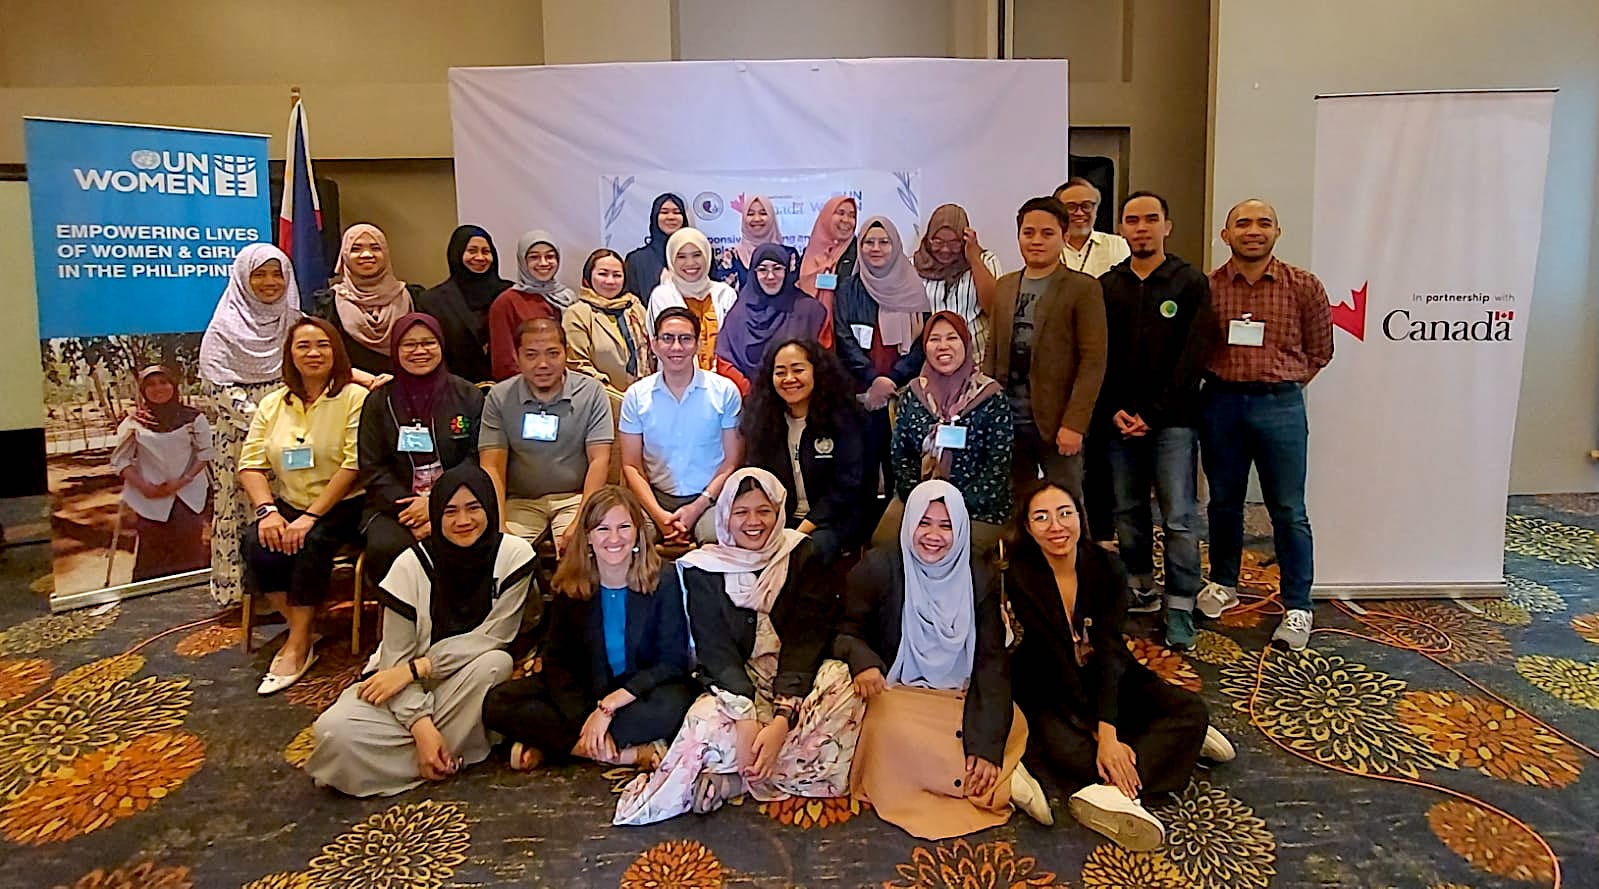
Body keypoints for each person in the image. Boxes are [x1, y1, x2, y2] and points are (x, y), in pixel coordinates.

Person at [613, 468, 862, 825]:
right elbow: (715, 652)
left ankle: (735, 782)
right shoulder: (704, 568)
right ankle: (763, 770)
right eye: (741, 512)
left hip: (796, 680)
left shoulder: (802, 553)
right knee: (701, 729)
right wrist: (746, 716)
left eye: (764, 511)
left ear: (779, 512)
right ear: (725, 514)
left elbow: (806, 640)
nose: (753, 522)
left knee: (844, 689)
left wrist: (781, 718)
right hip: (735, 684)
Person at [1004, 481, 1233, 851]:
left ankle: (1113, 790)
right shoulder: (1021, 575)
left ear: (1080, 516)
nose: (1056, 526)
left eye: (1065, 513)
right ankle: (1157, 751)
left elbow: (1110, 652)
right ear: (1028, 528)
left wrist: (1108, 736)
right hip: (1049, 680)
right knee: (1070, 756)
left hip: (1108, 669)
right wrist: (1096, 731)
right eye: (1041, 518)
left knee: (1191, 710)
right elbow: (1053, 656)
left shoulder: (1107, 567)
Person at [837, 480, 1049, 839]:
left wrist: (986, 748)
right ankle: (1005, 784)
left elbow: (991, 661)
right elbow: (843, 629)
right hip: (901, 692)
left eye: (947, 525)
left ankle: (983, 770)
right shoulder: (878, 568)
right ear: (909, 523)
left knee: (1010, 720)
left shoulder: (978, 577)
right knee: (885, 727)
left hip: (958, 692)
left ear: (962, 529)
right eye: (924, 522)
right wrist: (864, 660)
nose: (933, 536)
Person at [305, 464, 532, 796]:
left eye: (474, 508)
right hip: (403, 690)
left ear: (491, 508)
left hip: (459, 682)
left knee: (494, 664)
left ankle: (406, 760)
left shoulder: (513, 556)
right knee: (332, 731)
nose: (463, 521)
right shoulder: (409, 566)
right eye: (451, 511)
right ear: (436, 515)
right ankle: (439, 752)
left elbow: (495, 637)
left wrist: (420, 668)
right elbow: (394, 662)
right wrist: (421, 725)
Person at [482, 485, 696, 771]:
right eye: (603, 529)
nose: (614, 538)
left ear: (637, 532)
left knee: (676, 706)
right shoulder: (570, 582)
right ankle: (625, 754)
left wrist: (610, 707)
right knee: (498, 703)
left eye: (623, 527)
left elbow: (672, 662)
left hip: (639, 691)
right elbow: (556, 661)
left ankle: (556, 746)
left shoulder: (664, 578)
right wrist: (587, 716)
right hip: (586, 691)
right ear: (588, 537)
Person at [1199, 199, 1334, 652]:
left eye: (1263, 223)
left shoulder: (1304, 286)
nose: (1252, 230)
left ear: (1277, 232)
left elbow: (1320, 351)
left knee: (1288, 510)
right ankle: (1223, 582)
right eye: (1242, 223)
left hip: (1280, 407)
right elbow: (1198, 348)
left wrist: (1279, 384)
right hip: (1221, 403)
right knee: (1223, 502)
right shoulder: (1210, 288)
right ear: (1226, 234)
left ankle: (1298, 605)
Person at [1097, 192, 1215, 649]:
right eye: (1132, 220)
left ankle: (1181, 602)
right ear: (1122, 229)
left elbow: (1194, 357)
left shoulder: (1189, 282)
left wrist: (1153, 414)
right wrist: (1115, 411)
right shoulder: (1109, 286)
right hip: (1119, 422)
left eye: (1150, 219)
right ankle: (1141, 586)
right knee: (1127, 511)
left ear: (1167, 225)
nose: (1141, 227)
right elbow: (1099, 357)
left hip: (1173, 423)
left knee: (1179, 517)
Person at [239, 317, 368, 695]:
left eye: (322, 345)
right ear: (290, 354)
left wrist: (311, 516)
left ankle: (297, 646)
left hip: (343, 504)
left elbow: (353, 464)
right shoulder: (273, 404)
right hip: (288, 503)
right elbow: (250, 465)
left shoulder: (354, 397)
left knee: (312, 544)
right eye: (303, 346)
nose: (313, 353)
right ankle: (303, 626)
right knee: (256, 543)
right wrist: (267, 511)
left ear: (336, 352)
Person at [984, 196, 1107, 503]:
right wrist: (985, 413)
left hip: (1057, 421)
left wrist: (1074, 424)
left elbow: (1093, 361)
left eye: (1047, 233)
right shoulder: (1005, 286)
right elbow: (992, 352)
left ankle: (1075, 553)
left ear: (1064, 237)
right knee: (1013, 502)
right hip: (1008, 419)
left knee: (1065, 502)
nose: (1036, 241)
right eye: (1028, 233)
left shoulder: (1083, 287)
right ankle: (1020, 554)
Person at [200, 245, 302, 607]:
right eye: (260, 274)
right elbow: (216, 388)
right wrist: (267, 424)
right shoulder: (223, 328)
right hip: (244, 436)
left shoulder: (294, 320)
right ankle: (253, 593)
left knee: (291, 505)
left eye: (277, 274)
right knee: (248, 512)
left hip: (296, 430)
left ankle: (292, 587)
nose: (270, 282)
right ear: (243, 277)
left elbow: (309, 367)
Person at [357, 313, 486, 586]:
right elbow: (372, 466)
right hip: (397, 505)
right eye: (409, 345)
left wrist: (438, 503)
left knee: (467, 540)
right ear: (395, 350)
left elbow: (475, 457)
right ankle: (404, 620)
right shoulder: (379, 401)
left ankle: (462, 620)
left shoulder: (467, 395)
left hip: (458, 499)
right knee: (387, 548)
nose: (420, 351)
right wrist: (411, 509)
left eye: (428, 343)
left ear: (441, 345)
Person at [480, 319, 614, 558]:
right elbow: (492, 465)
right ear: (517, 356)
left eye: (552, 354)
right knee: (499, 556)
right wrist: (498, 523)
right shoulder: (499, 397)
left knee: (580, 557)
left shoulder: (591, 392)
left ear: (566, 353)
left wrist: (580, 520)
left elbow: (600, 460)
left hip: (575, 499)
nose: (542, 364)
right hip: (521, 502)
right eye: (531, 355)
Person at [882, 312, 1012, 552]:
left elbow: (997, 468)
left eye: (952, 338)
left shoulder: (991, 397)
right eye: (934, 339)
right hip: (918, 499)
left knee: (953, 552)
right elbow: (901, 456)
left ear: (966, 343)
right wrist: (923, 500)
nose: (943, 346)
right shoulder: (914, 394)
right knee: (885, 545)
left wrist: (951, 506)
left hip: (977, 507)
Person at [618, 307, 743, 545]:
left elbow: (731, 462)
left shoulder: (724, 391)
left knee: (715, 535)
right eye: (668, 338)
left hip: (710, 498)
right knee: (630, 537)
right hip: (655, 497)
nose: (676, 348)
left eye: (685, 339)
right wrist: (658, 515)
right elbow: (631, 465)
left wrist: (697, 506)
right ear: (654, 344)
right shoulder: (636, 395)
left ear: (697, 344)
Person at [739, 338, 869, 565]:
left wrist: (800, 531)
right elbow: (759, 479)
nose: (789, 379)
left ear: (817, 372)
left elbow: (846, 488)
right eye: (780, 372)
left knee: (805, 555)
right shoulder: (763, 422)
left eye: (798, 370)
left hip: (833, 520)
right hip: (782, 519)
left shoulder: (843, 418)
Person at [834, 217, 931, 499]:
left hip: (902, 394)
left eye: (884, 242)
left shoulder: (913, 287)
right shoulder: (848, 289)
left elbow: (921, 343)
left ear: (896, 245)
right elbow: (844, 338)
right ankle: (861, 538)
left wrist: (893, 378)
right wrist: (873, 379)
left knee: (900, 469)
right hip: (861, 394)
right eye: (868, 242)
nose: (876, 249)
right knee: (860, 470)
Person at [109, 366, 213, 581]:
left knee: (189, 545)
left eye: (163, 382)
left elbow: (205, 453)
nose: (158, 389)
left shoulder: (193, 418)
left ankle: (191, 597)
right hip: (149, 496)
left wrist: (182, 481)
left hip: (188, 493)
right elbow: (120, 460)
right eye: (151, 384)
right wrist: (144, 487)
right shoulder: (135, 422)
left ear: (173, 386)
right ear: (142, 390)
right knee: (152, 550)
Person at [715, 243, 830, 393]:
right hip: (752, 404)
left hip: (803, 399)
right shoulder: (738, 315)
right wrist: (751, 394)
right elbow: (725, 362)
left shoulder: (811, 311)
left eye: (777, 268)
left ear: (787, 271)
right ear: (753, 273)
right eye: (762, 270)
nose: (770, 276)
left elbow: (825, 360)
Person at [315, 223, 422, 375]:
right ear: (344, 255)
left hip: (408, 388)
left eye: (375, 248)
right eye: (356, 249)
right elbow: (325, 357)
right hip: (351, 390)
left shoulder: (413, 297)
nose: (367, 255)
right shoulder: (328, 303)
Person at [417, 225, 511, 384]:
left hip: (508, 389)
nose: (480, 257)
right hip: (455, 391)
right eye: (472, 251)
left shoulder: (509, 294)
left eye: (486, 252)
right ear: (457, 253)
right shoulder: (432, 301)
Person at [563, 248, 653, 405]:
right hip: (600, 402)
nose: (610, 281)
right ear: (588, 277)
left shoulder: (636, 308)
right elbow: (578, 366)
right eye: (603, 274)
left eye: (617, 275)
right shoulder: (577, 313)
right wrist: (618, 398)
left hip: (644, 401)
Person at [913, 203, 1001, 359]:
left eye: (954, 243)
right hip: (930, 360)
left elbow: (995, 309)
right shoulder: (913, 266)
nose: (945, 250)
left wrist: (973, 258)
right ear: (928, 238)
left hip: (976, 357)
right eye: (938, 242)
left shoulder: (986, 261)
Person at [646, 228, 739, 373]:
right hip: (677, 382)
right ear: (671, 260)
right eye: (681, 257)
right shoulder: (662, 295)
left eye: (697, 255)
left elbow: (733, 345)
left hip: (722, 383)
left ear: (707, 256)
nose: (690, 263)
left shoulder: (725, 294)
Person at [489, 231, 570, 381]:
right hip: (526, 390)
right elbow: (504, 362)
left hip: (569, 386)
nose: (544, 263)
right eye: (534, 257)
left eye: (550, 256)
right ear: (522, 261)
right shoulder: (507, 302)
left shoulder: (568, 297)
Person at [797, 194, 858, 338]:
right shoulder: (810, 252)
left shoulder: (859, 254)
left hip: (846, 335)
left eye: (852, 215)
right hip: (811, 332)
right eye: (840, 213)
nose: (846, 220)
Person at [716, 194, 798, 292]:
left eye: (763, 213)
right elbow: (725, 296)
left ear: (771, 217)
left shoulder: (789, 255)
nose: (757, 219)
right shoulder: (731, 257)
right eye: (750, 214)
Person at [1054, 178, 1131, 278]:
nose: (1079, 213)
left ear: (1096, 209)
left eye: (1086, 206)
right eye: (1071, 207)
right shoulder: (1047, 246)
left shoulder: (1119, 245)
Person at [624, 192, 689, 299]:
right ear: (655, 217)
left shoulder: (698, 256)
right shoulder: (637, 260)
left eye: (677, 212)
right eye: (664, 212)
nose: (671, 217)